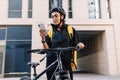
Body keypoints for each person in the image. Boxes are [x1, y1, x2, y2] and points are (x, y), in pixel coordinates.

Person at [39, 7, 85, 80]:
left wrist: (80, 44)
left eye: (56, 16)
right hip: (52, 61)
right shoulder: (50, 32)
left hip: (65, 61)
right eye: (52, 17)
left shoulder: (70, 30)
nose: (54, 18)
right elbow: (47, 49)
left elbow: (76, 42)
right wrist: (43, 39)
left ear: (62, 17)